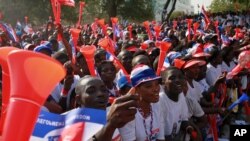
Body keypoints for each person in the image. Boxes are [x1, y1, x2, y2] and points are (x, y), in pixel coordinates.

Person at [75, 75, 138, 141]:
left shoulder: (115, 115)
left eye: (103, 90)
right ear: (78, 99)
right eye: (91, 91)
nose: (100, 94)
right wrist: (110, 124)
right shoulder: (71, 126)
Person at [119, 65, 165, 141]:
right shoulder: (128, 112)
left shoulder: (157, 104)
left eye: (157, 84)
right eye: (149, 86)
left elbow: (161, 137)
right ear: (136, 89)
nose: (156, 89)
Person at [160, 67, 195, 140]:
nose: (178, 80)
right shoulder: (160, 101)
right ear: (163, 82)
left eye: (180, 77)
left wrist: (189, 128)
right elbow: (159, 135)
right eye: (172, 78)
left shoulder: (180, 94)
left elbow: (183, 119)